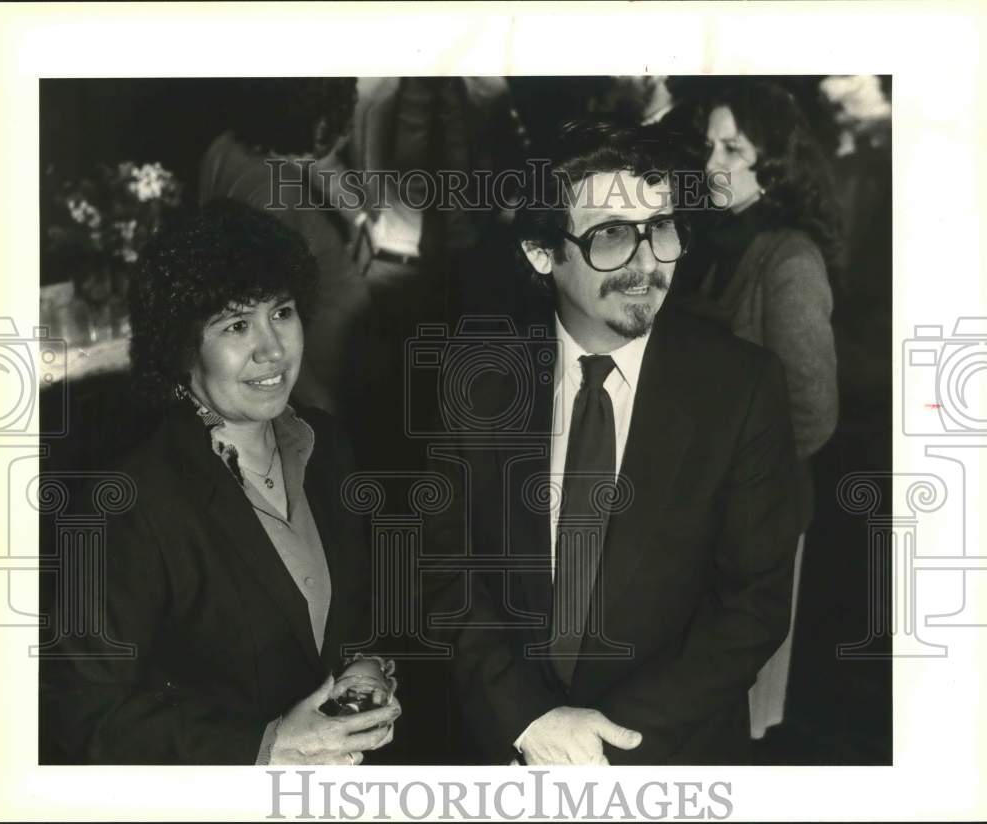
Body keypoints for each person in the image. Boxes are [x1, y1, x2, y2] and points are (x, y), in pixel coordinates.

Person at [425, 122, 800, 765]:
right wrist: (524, 719)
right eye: (612, 234)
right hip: (506, 743)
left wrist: (603, 738)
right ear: (543, 252)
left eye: (661, 228)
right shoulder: (476, 377)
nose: (647, 261)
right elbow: (441, 573)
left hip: (666, 751)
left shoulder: (740, 386)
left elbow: (754, 607)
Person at [39, 200, 400, 764]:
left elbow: (357, 608)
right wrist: (262, 748)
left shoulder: (325, 442)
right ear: (182, 347)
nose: (273, 349)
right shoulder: (128, 501)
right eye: (236, 325)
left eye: (281, 312)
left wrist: (366, 664)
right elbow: (81, 710)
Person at [693, 81, 840, 739]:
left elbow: (814, 411)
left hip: (761, 517)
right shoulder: (709, 242)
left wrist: (742, 479)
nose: (712, 165)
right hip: (699, 508)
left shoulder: (790, 259)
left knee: (745, 712)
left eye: (733, 149)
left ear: (771, 161)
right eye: (708, 148)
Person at [198, 78, 370, 419]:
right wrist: (317, 406)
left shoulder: (226, 148)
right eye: (344, 125)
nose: (347, 136)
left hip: (332, 358)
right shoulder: (276, 192)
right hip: (330, 370)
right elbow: (264, 319)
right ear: (320, 125)